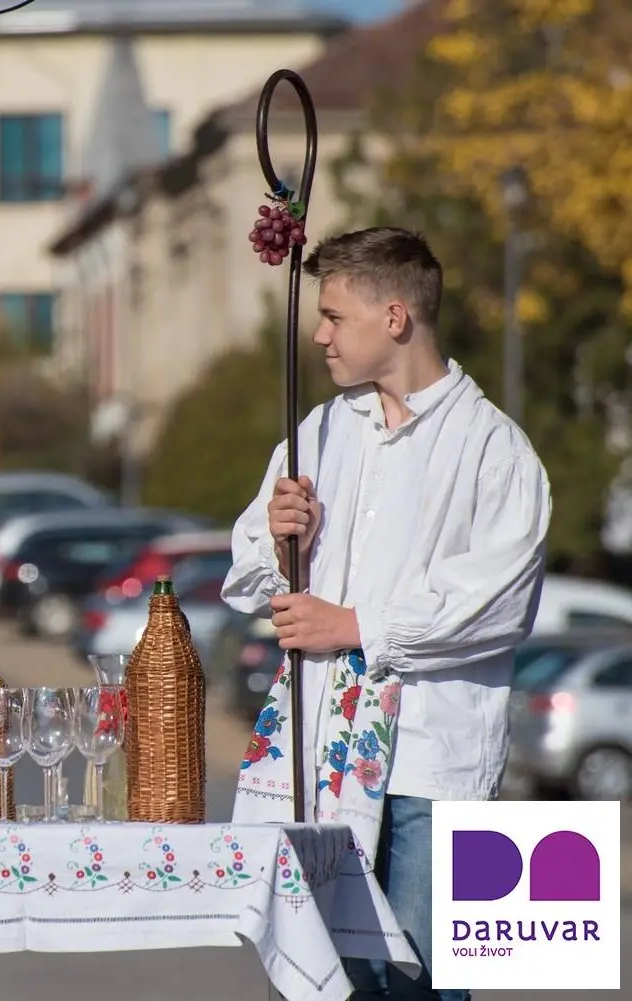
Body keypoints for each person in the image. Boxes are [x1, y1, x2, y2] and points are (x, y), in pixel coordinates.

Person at [223, 227, 551, 1001]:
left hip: (435, 768)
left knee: (426, 984)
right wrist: (281, 538)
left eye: (335, 315)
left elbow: (496, 602)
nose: (320, 334)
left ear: (395, 317)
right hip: (321, 761)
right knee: (320, 981)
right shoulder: (319, 431)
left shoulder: (495, 449)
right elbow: (250, 569)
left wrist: (355, 626)